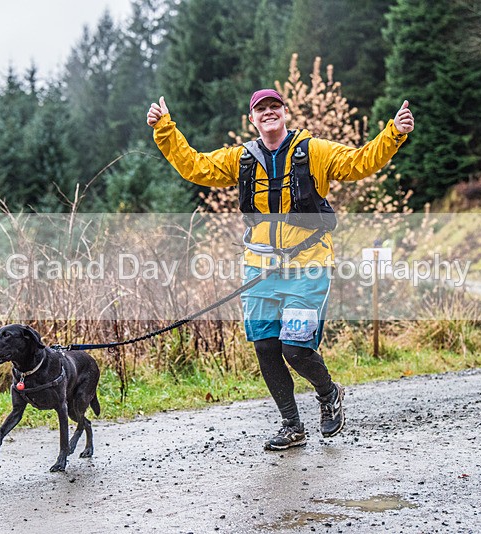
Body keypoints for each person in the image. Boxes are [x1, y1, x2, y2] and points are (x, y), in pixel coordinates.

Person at [147, 89, 413, 450]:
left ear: (285, 112)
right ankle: (292, 425)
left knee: (296, 348)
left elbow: (358, 163)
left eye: (275, 106)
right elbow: (195, 166)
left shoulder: (314, 151)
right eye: (261, 109)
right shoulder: (242, 157)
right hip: (260, 268)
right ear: (252, 118)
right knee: (266, 347)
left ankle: (328, 392)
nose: (269, 112)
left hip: (308, 265)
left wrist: (393, 132)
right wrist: (165, 128)